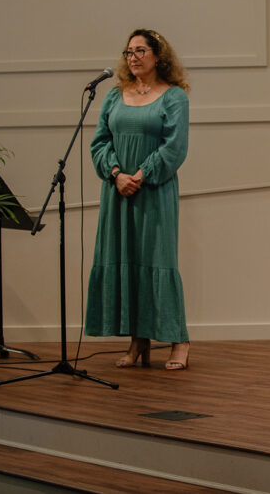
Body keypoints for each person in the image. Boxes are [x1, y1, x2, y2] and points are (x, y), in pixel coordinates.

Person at [85, 29, 191, 370]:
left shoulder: (174, 97)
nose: (132, 57)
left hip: (154, 191)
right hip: (117, 191)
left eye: (139, 50)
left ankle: (179, 341)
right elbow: (100, 141)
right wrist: (116, 174)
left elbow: (174, 147)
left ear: (157, 56)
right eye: (128, 51)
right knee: (126, 260)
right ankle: (137, 341)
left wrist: (141, 175)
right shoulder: (115, 96)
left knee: (159, 262)